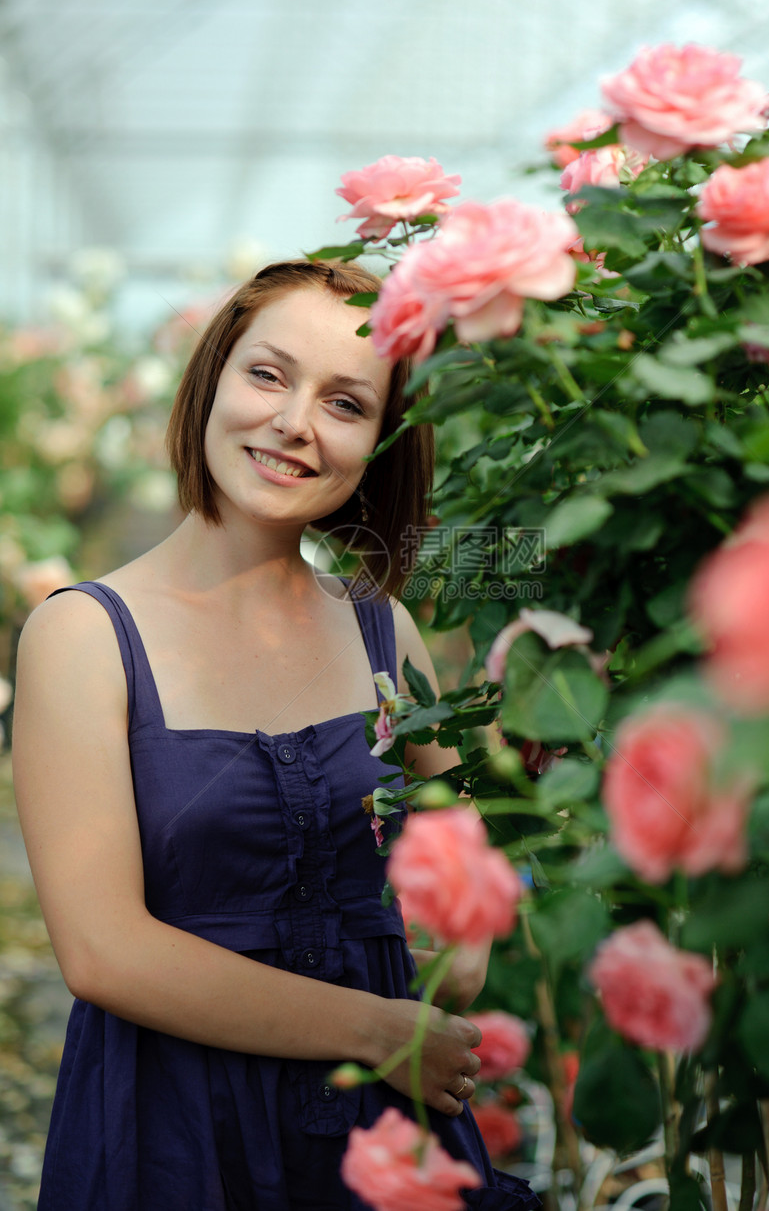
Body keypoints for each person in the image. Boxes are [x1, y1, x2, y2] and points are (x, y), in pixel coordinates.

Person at [12, 260, 539, 1210]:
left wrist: (465, 946)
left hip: (383, 1128)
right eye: (268, 375)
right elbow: (102, 950)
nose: (294, 422)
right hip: (178, 1130)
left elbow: (472, 840)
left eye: (345, 402)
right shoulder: (84, 635)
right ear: (213, 379)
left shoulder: (382, 626)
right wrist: (376, 1031)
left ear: (381, 442)